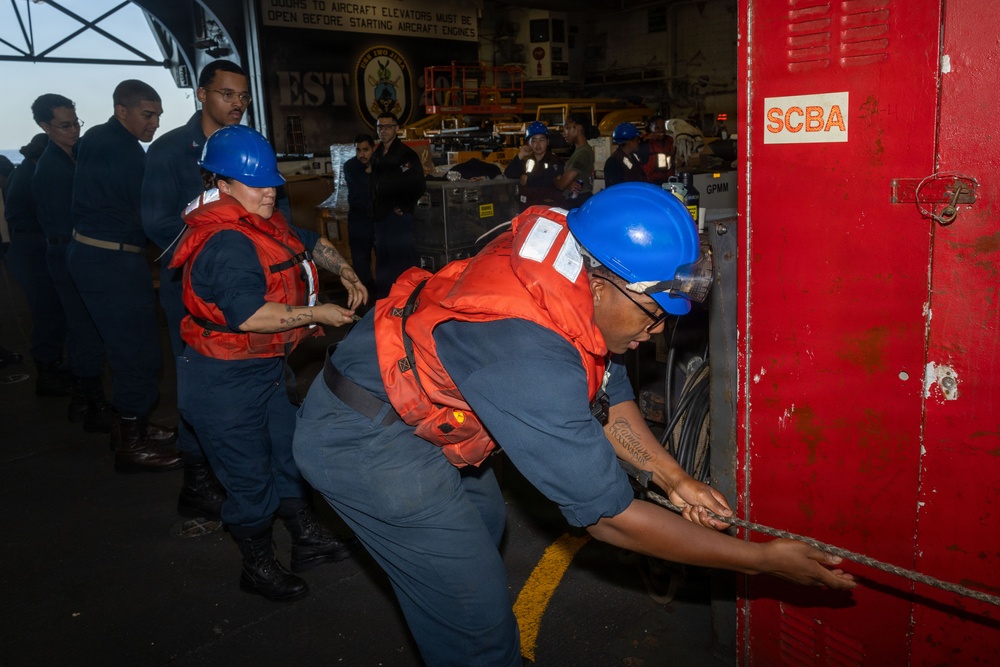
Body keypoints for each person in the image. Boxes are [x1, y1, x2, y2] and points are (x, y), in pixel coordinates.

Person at [292, 183, 856, 666]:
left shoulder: (569, 269)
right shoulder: (527, 352)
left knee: (483, 524)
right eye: (653, 311)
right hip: (364, 441)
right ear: (605, 283)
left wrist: (673, 480)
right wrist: (760, 561)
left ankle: (449, 594)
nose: (658, 331)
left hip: (418, 408)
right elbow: (609, 518)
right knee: (477, 620)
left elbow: (607, 392)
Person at [169, 125, 368, 601]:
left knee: (288, 451)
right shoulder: (226, 244)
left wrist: (344, 268)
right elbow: (253, 315)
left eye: (271, 182)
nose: (268, 191)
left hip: (265, 370)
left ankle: (306, 539)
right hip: (224, 380)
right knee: (248, 477)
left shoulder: (263, 218)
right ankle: (256, 565)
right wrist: (317, 313)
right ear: (222, 185)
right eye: (255, 183)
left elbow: (305, 241)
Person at [142, 59, 252, 518]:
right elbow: (157, 223)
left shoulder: (249, 146)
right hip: (192, 289)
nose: (238, 104)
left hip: (245, 287)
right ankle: (197, 477)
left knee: (248, 378)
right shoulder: (170, 151)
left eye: (243, 96)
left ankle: (245, 469)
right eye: (228, 94)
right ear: (202, 94)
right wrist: (218, 247)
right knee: (198, 381)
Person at [67, 79, 180, 471]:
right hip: (113, 262)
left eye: (159, 116)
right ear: (122, 111)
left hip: (89, 254)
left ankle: (133, 425)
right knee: (139, 353)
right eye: (148, 116)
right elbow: (154, 218)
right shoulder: (130, 155)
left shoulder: (96, 138)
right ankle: (133, 446)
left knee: (116, 347)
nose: (155, 124)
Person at [4, 130, 72, 395]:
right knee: (47, 312)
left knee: (48, 310)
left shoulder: (23, 173)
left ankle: (51, 367)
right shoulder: (36, 176)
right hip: (33, 249)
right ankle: (48, 372)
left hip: (26, 247)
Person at [369, 112, 426, 299]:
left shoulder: (405, 156)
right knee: (383, 264)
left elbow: (418, 185)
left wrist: (403, 206)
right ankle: (385, 301)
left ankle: (406, 301)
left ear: (397, 129)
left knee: (401, 264)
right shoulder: (377, 154)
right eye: (380, 127)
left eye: (387, 127)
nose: (383, 131)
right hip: (381, 217)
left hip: (398, 219)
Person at [342, 133, 376, 299]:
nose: (362, 154)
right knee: (360, 260)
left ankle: (383, 294)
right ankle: (364, 294)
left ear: (373, 149)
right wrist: (374, 172)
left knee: (384, 257)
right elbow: (364, 185)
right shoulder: (350, 166)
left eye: (365, 150)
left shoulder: (380, 163)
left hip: (378, 217)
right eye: (358, 150)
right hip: (359, 217)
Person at [503, 121, 565, 211]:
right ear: (528, 142)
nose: (538, 144)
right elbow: (509, 174)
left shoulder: (555, 161)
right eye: (534, 140)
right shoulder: (525, 160)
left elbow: (550, 180)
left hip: (547, 210)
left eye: (541, 140)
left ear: (548, 142)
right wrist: (520, 155)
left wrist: (528, 180)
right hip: (527, 209)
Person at [553, 112, 598, 207]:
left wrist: (556, 180)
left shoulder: (582, 153)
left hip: (578, 201)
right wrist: (568, 185)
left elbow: (561, 185)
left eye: (567, 127)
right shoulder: (581, 151)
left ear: (579, 128)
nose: (564, 133)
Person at [603, 122, 647, 187]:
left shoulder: (633, 157)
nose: (639, 142)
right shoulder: (614, 162)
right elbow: (614, 190)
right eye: (636, 140)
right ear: (628, 142)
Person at [641, 115, 676, 186]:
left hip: (668, 182)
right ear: (650, 128)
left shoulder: (669, 141)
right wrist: (645, 140)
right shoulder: (644, 142)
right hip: (651, 183)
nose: (661, 130)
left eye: (663, 127)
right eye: (657, 128)